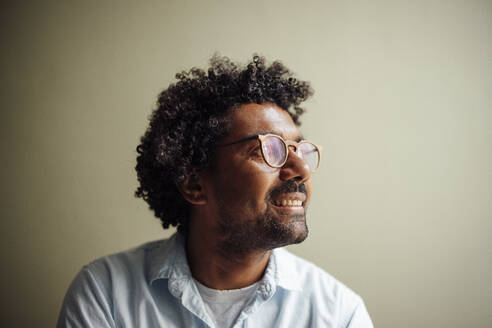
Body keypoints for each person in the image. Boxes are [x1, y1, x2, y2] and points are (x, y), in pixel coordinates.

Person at [57, 55, 374, 328]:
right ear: (195, 184)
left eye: (299, 150)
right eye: (270, 150)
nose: (301, 170)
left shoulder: (338, 314)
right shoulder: (106, 294)